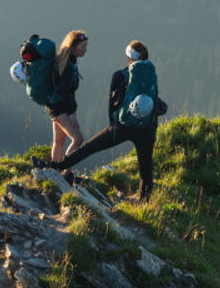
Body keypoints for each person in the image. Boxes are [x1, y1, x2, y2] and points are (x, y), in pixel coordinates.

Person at [53, 40, 160, 201]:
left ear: (128, 57)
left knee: (89, 147)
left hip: (122, 127)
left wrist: (113, 127)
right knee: (146, 167)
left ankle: (56, 167)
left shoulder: (120, 75)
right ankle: (145, 201)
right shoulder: (151, 73)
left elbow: (112, 104)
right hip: (146, 129)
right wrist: (151, 128)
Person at [48, 30, 87, 164]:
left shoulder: (66, 61)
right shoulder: (68, 66)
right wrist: (71, 114)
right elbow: (65, 92)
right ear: (73, 47)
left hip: (55, 106)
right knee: (78, 139)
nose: (85, 50)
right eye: (83, 47)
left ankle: (54, 169)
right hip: (61, 109)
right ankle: (64, 169)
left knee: (58, 141)